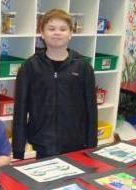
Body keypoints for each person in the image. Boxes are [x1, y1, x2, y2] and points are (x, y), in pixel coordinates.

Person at [12, 9, 97, 160]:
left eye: (63, 29)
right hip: (43, 144)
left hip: (76, 144)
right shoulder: (30, 67)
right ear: (42, 33)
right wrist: (18, 149)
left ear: (71, 33)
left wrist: (92, 145)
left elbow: (91, 109)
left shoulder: (83, 67)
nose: (57, 33)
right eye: (51, 29)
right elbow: (20, 110)